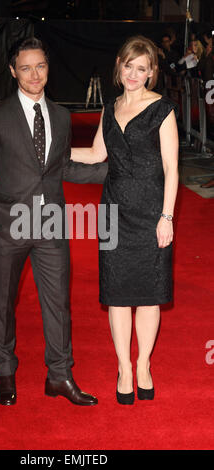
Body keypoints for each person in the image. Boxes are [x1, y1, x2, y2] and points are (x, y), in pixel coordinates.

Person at [0, 37, 107, 406]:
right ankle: (5, 371)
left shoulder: (62, 117)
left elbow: (62, 168)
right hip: (8, 224)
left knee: (59, 303)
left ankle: (60, 376)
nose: (35, 74)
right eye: (26, 67)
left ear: (49, 69)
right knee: (3, 302)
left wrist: (115, 173)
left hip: (50, 222)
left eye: (41, 66)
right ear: (14, 71)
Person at [71, 35, 179, 405]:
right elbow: (96, 153)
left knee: (148, 297)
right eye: (128, 66)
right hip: (114, 211)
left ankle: (144, 363)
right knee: (117, 295)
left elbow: (172, 168)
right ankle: (124, 367)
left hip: (151, 211)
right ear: (119, 65)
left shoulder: (162, 109)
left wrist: (167, 216)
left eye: (142, 69)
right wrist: (51, 151)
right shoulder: (109, 106)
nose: (133, 74)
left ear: (151, 73)